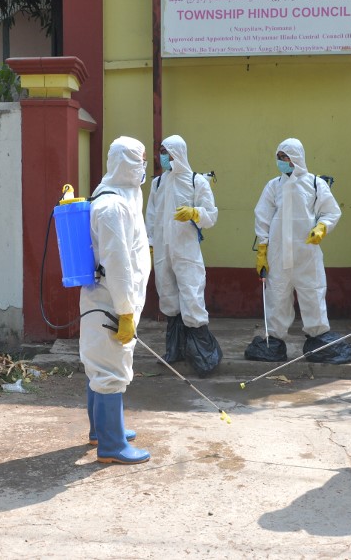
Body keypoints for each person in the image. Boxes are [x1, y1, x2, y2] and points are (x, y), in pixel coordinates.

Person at [81, 136, 152, 465]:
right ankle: (111, 445)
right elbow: (118, 264)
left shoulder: (124, 196)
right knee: (111, 369)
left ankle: (103, 430)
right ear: (125, 164)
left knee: (102, 363)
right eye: (139, 161)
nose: (144, 167)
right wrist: (125, 312)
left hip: (112, 299)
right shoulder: (112, 207)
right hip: (112, 301)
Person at [253, 138, 341, 351]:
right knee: (277, 296)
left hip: (306, 253)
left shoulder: (314, 183)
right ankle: (273, 340)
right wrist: (262, 249)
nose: (281, 161)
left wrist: (322, 227)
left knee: (313, 293)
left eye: (285, 156)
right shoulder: (274, 186)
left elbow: (331, 211)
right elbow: (262, 217)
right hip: (278, 254)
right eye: (279, 157)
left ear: (297, 157)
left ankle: (318, 339)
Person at [145, 135, 218, 366]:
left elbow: (211, 215)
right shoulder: (157, 183)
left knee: (192, 294)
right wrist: (149, 244)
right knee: (167, 295)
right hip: (163, 250)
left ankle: (202, 355)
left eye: (167, 152)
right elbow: (151, 217)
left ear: (179, 153)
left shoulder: (197, 181)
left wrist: (195, 213)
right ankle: (175, 350)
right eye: (161, 151)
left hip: (186, 250)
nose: (163, 156)